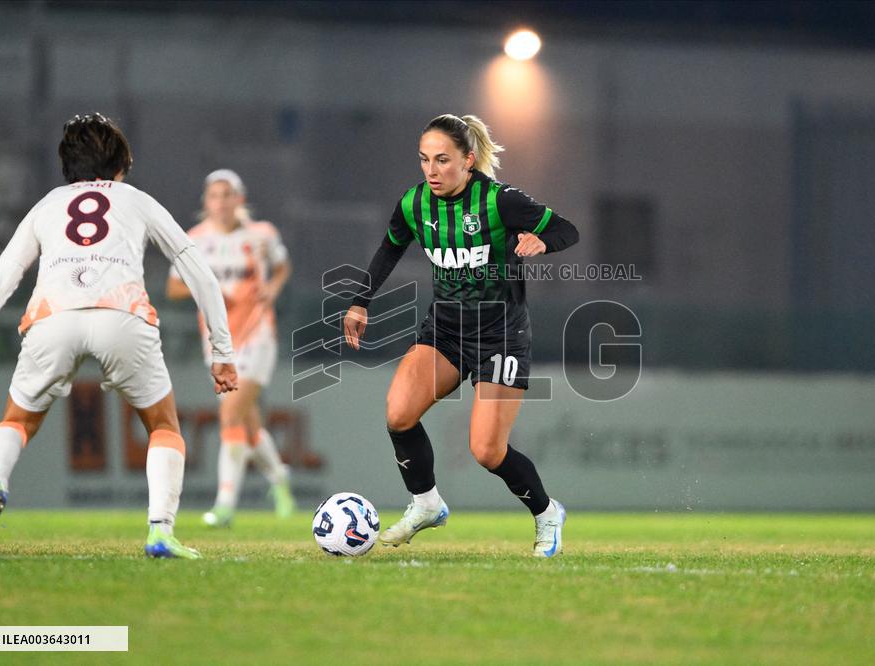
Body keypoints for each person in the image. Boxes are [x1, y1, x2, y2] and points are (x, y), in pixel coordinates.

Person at [0, 113, 238, 559]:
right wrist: (222, 351)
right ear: (120, 164)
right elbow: (199, 273)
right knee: (163, 426)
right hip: (122, 315)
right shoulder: (136, 200)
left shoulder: (47, 206)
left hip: (53, 317)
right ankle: (160, 531)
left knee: (16, 421)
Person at [343, 114, 579, 557]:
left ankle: (547, 513)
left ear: (468, 160)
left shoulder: (500, 201)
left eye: (442, 160)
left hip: (501, 334)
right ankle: (426, 504)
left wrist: (543, 242)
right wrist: (361, 301)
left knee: (487, 451)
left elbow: (567, 229)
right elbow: (391, 247)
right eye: (424, 160)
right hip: (446, 329)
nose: (431, 170)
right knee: (399, 414)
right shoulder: (414, 203)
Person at [167, 170, 295, 527]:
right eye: (214, 195)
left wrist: (273, 288)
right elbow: (173, 288)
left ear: (240, 199)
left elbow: (282, 267)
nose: (221, 202)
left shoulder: (261, 234)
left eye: (227, 195)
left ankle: (224, 504)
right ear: (206, 202)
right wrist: (210, 292)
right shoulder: (194, 240)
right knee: (249, 421)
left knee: (230, 416)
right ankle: (279, 477)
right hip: (218, 341)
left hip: (257, 334)